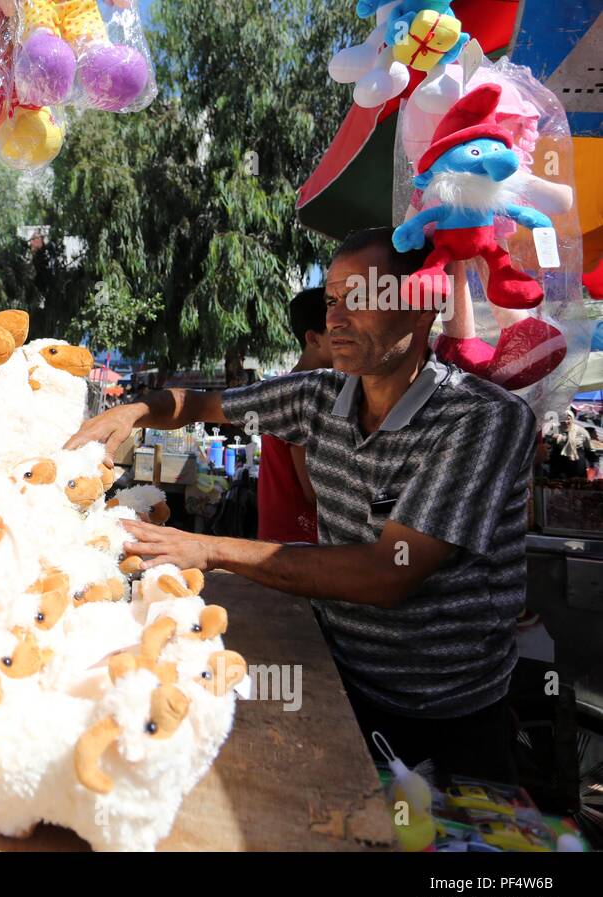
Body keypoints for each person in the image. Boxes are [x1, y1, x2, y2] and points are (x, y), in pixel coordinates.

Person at [67, 228, 538, 784]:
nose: (336, 318)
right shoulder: (318, 397)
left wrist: (209, 549)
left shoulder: (481, 419)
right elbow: (196, 402)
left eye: (359, 298)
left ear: (420, 307)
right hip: (342, 682)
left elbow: (390, 573)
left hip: (449, 715)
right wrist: (133, 411)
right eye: (332, 299)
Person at [258, 288, 332, 544]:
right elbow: (313, 490)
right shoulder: (301, 394)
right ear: (313, 338)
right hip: (297, 543)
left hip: (282, 539)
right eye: (338, 330)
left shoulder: (291, 387)